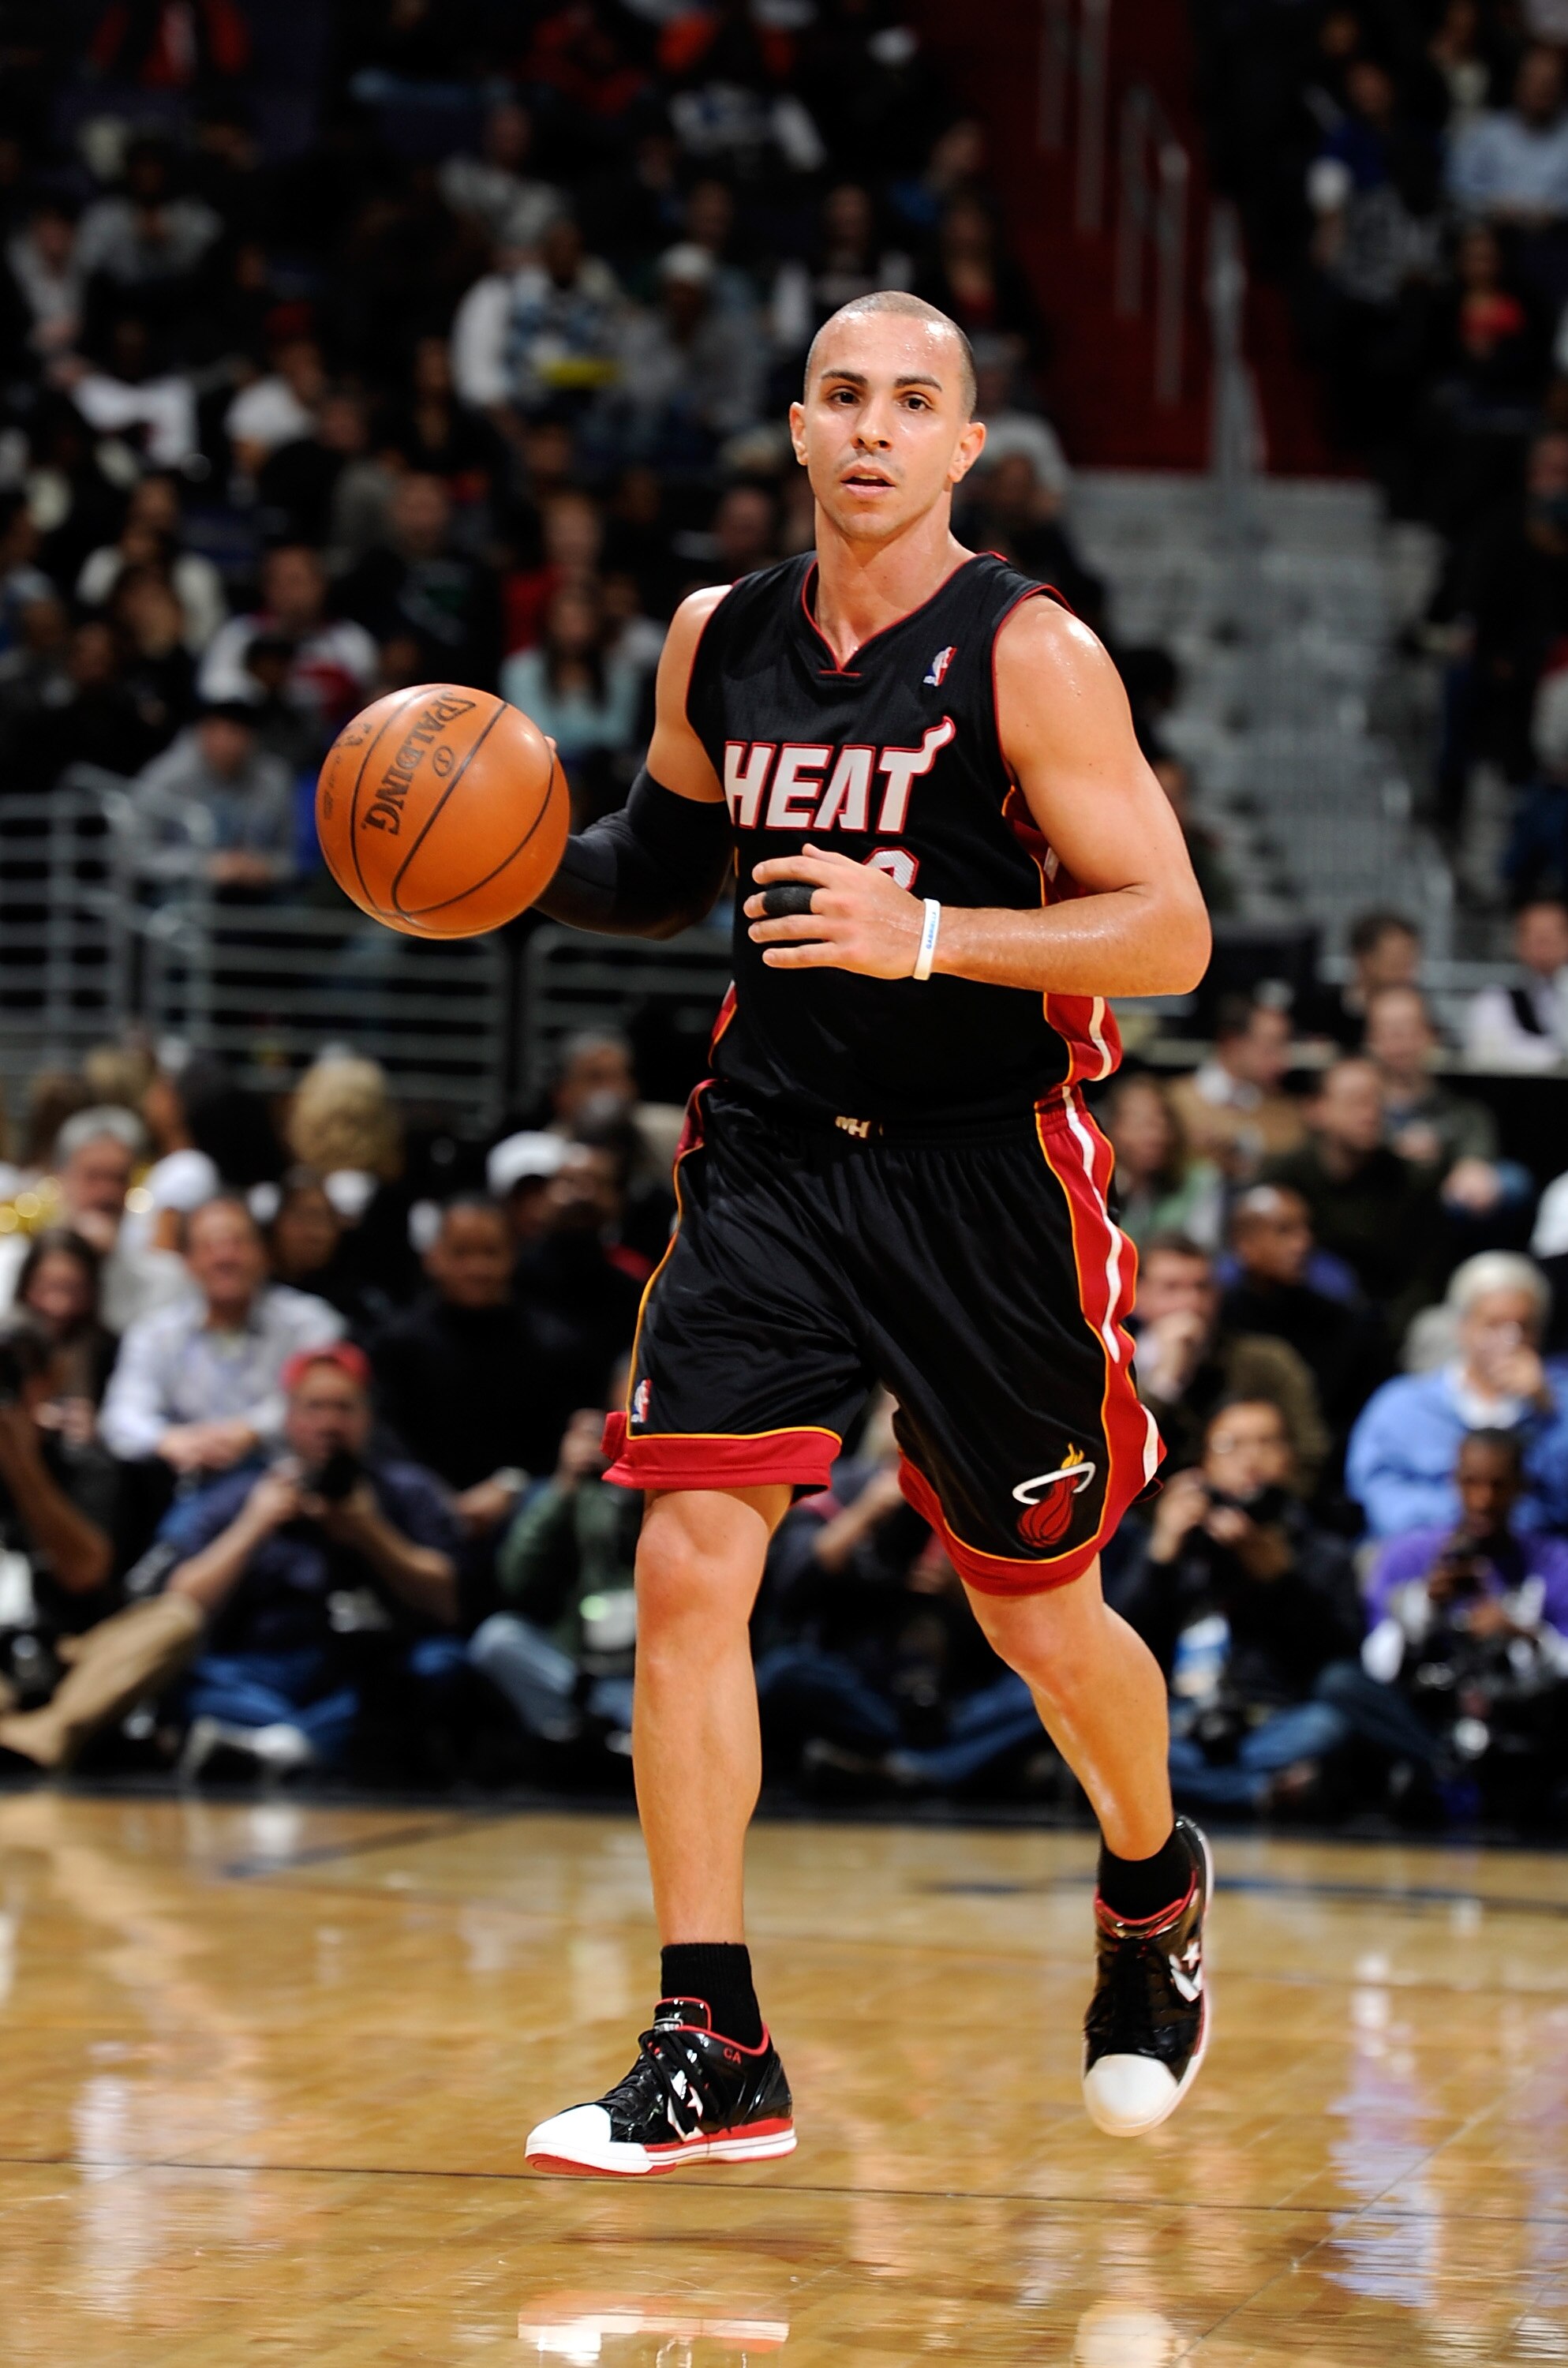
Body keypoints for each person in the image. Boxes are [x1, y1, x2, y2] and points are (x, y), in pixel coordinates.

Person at [523, 290, 1214, 2176]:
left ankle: (1148, 1881)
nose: (870, 429)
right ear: (795, 420)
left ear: (960, 447)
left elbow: (1165, 932)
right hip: (770, 1154)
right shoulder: (714, 639)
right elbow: (655, 873)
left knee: (1038, 1615)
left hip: (984, 1169)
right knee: (683, 1554)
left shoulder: (1030, 653)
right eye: (841, 395)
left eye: (912, 403)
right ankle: (709, 2028)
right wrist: (499, 860)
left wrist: (929, 933)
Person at [1115, 1400, 1434, 1815]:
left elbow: (1341, 1665)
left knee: (1330, 1724)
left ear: (1289, 1458)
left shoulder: (1322, 1551)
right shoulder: (1178, 1546)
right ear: (1204, 1464)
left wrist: (1281, 1581)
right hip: (1182, 1720)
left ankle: (1205, 1789)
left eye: (1267, 1443)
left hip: (1278, 1721)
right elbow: (1118, 1649)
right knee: (1119, 1731)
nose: (1251, 1458)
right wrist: (1160, 1556)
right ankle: (1256, 1793)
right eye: (1232, 1445)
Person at [161, 1345, 464, 1781]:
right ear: (289, 1419)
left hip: (370, 1668)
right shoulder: (245, 1493)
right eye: (315, 1407)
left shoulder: (407, 1490)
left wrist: (370, 1531)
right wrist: (253, 1526)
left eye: (344, 1408)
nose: (329, 1423)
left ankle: (280, 1747)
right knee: (187, 1676)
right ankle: (311, 1745)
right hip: (264, 1669)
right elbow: (181, 1602)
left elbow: (447, 1603)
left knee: (441, 1665)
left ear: (367, 1419)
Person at [1363, 1429, 1568, 1813]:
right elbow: (1375, 1665)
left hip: (1523, 1718)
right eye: (1471, 1483)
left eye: (1498, 1486)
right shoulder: (1408, 1556)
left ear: (1521, 1487)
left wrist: (1523, 1634)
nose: (1483, 1500)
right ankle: (1436, 1771)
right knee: (1341, 1686)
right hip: (1427, 1716)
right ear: (1453, 1482)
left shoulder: (1555, 1561)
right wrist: (1427, 1604)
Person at [101, 1196, 342, 1477]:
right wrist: (169, 1440)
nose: (224, 1258)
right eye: (209, 1246)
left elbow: (326, 1403)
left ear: (264, 1254)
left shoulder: (310, 1322)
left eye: (237, 1243)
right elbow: (121, 1415)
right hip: (186, 1479)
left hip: (288, 1475)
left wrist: (251, 1430)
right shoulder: (155, 1333)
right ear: (188, 1262)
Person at [372, 1197, 565, 1532]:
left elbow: (558, 1440)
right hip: (419, 1509)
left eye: (490, 1253)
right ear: (434, 1257)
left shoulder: (550, 1344)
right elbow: (384, 1434)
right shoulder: (396, 1343)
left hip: (520, 1508)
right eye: (461, 1253)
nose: (477, 1268)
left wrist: (511, 1484)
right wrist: (431, 1495)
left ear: (513, 1255)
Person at [1347, 1252, 1568, 1537]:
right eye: (1494, 1325)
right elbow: (1376, 1490)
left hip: (1533, 1557)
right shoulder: (1404, 1404)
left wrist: (1547, 1412)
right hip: (1422, 1552)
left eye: (1523, 1327)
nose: (1510, 1341)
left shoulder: (1557, 1401)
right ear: (1463, 1327)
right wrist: (1456, 1526)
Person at [469, 1400, 638, 1752]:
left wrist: (630, 1483)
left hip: (644, 1664)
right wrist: (567, 1485)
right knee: (498, 1638)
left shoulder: (668, 1494)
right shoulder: (557, 1494)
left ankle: (610, 1722)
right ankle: (591, 1726)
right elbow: (515, 1577)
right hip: (574, 1660)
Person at [1132, 1232, 1330, 1489]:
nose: (1191, 1302)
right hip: (1146, 1519)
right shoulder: (1113, 1370)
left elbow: (1312, 1451)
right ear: (1136, 1296)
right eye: (1172, 1288)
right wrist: (1164, 1383)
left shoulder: (1266, 1362)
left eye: (1201, 1287)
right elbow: (1116, 1463)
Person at [1261, 1058, 1446, 1332]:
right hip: (1302, 1317)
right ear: (1316, 1110)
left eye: (1377, 1101)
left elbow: (1426, 1275)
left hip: (1388, 1324)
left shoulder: (1410, 1181)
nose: (1370, 1114)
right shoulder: (1282, 1179)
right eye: (1356, 1102)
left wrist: (1391, 1330)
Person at [0, 1107, 187, 1333]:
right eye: (93, 1177)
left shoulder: (166, 1278)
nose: (106, 1193)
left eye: (118, 1178)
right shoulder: (9, 1263)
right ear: (61, 1179)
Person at [1220, 1186, 1388, 1438]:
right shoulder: (1220, 1321)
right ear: (1245, 1244)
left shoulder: (1339, 1322)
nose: (1303, 1244)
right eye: (1284, 1231)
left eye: (1306, 1229)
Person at [130, 701, 297, 893]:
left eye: (236, 731)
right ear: (201, 733)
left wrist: (265, 867)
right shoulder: (165, 777)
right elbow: (137, 855)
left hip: (257, 892)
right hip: (181, 889)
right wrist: (204, 867)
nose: (226, 742)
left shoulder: (275, 779)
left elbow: (292, 857)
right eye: (217, 730)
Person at [1167, 996, 1306, 1180]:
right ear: (1232, 1043)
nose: (1284, 1062)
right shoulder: (1173, 1099)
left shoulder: (1284, 1110)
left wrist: (1241, 1138)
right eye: (1271, 1046)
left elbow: (1296, 1147)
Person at [1101, 1073, 1223, 1252]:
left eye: (1161, 1123)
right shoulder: (1096, 1189)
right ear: (1112, 1128)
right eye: (1139, 1124)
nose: (1154, 1136)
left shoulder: (1200, 1182)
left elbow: (1201, 1252)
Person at [1466, 897, 1568, 1068]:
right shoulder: (1493, 1002)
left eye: (1553, 934)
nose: (1545, 944)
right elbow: (1487, 1057)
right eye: (1536, 936)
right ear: (1518, 942)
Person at [1315, 910, 1422, 1048]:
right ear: (1362, 958)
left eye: (1410, 963)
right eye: (1396, 963)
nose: (1407, 974)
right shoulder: (1320, 1013)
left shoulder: (1421, 1014)